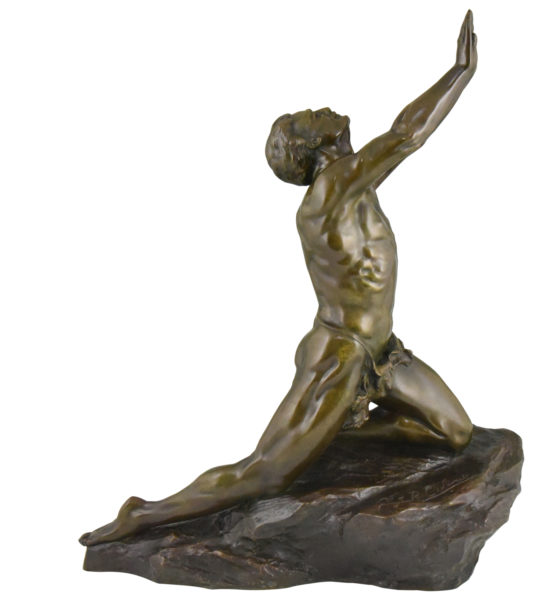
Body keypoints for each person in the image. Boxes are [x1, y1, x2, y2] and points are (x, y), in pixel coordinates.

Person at [80, 10, 477, 547]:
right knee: (266, 473)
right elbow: (407, 135)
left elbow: (395, 145)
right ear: (310, 149)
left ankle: (333, 434)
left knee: (456, 432)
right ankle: (145, 513)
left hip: (383, 352)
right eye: (307, 119)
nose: (319, 110)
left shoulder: (351, 185)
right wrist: (459, 72)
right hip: (341, 355)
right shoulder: (332, 190)